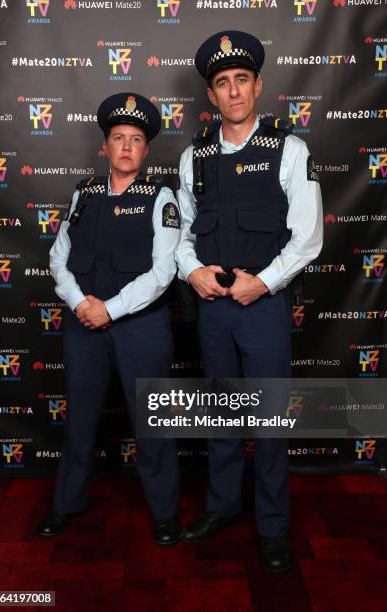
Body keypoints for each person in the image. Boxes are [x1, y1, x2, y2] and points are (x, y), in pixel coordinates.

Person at [176, 31, 323, 572]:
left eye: (242, 79)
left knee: (268, 422)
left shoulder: (290, 149)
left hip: (262, 308)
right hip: (213, 307)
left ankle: (273, 526)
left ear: (257, 85)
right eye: (222, 83)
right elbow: (181, 236)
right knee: (220, 416)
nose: (233, 91)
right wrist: (192, 272)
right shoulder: (195, 157)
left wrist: (261, 283)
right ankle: (221, 507)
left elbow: (307, 236)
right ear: (211, 97)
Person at [37, 92, 181, 546]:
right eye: (117, 137)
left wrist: (109, 309)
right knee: (79, 421)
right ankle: (66, 505)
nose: (125, 146)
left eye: (135, 139)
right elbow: (58, 259)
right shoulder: (84, 192)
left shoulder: (162, 197)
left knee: (152, 425)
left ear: (146, 151)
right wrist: (82, 304)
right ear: (104, 147)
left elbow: (164, 272)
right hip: (84, 326)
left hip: (141, 328)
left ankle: (164, 514)